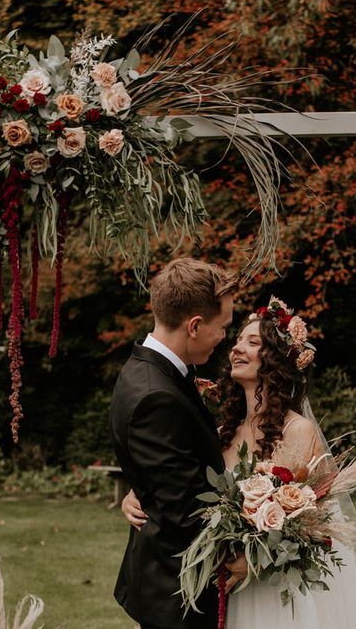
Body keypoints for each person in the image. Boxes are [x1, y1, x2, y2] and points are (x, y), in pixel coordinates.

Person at [123, 297, 356, 629]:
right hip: (223, 584)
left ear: (276, 359)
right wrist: (136, 493)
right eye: (237, 340)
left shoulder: (298, 431)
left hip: (271, 591)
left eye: (252, 342)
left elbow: (313, 523)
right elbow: (178, 478)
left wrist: (254, 560)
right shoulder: (221, 432)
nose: (236, 348)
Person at [109, 257, 245, 629]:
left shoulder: (148, 371)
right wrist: (249, 551)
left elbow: (166, 477)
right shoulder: (157, 395)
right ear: (195, 326)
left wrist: (143, 489)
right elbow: (184, 511)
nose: (225, 338)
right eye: (224, 327)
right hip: (180, 593)